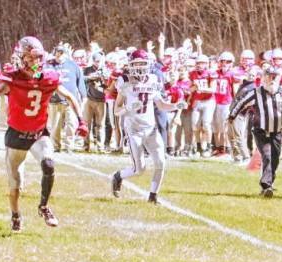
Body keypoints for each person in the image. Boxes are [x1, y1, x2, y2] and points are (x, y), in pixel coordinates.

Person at [0, 36, 87, 232]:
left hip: (38, 133)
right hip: (16, 134)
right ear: (21, 58)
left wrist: (81, 120)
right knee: (16, 183)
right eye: (30, 58)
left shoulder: (49, 78)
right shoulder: (13, 77)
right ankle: (16, 215)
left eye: (38, 58)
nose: (35, 62)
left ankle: (43, 207)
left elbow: (69, 96)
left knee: (49, 164)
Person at [110, 49, 184, 204]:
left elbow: (161, 105)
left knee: (161, 163)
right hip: (134, 130)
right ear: (130, 65)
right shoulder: (124, 81)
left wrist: (176, 105)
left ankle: (153, 196)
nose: (140, 67)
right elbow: (117, 110)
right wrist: (129, 109)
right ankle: (118, 176)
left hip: (151, 129)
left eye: (143, 64)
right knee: (139, 169)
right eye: (137, 64)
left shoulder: (153, 79)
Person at [227, 65, 282, 197]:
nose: (272, 79)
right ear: (264, 78)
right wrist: (232, 116)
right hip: (260, 130)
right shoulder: (256, 92)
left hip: (277, 131)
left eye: (274, 77)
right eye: (269, 76)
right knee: (267, 154)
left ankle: (268, 184)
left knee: (275, 158)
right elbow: (241, 103)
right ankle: (266, 185)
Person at [45, 43, 87, 152]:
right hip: (55, 100)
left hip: (70, 100)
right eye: (57, 53)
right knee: (56, 125)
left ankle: (69, 146)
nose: (59, 55)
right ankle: (56, 146)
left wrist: (83, 95)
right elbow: (40, 74)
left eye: (61, 53)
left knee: (71, 124)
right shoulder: (49, 65)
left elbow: (80, 80)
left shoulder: (73, 65)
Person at [189, 54, 216, 157]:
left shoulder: (210, 73)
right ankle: (198, 147)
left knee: (206, 124)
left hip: (208, 101)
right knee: (195, 125)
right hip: (197, 101)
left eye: (202, 63)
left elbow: (213, 89)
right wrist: (194, 88)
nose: (200, 65)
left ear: (206, 64)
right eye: (198, 63)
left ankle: (208, 147)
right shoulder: (192, 74)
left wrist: (201, 88)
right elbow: (190, 89)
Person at [211, 51, 236, 157]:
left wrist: (235, 104)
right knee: (216, 128)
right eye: (222, 61)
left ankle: (226, 148)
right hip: (214, 103)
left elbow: (235, 91)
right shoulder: (214, 73)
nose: (225, 63)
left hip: (226, 103)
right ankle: (218, 148)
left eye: (228, 61)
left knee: (225, 128)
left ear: (232, 63)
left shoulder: (232, 74)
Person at [82, 51, 107, 152]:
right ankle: (85, 145)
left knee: (100, 124)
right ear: (93, 61)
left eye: (99, 61)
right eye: (96, 61)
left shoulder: (105, 70)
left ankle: (100, 146)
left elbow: (107, 80)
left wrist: (99, 77)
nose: (98, 63)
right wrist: (90, 77)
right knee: (86, 123)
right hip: (89, 99)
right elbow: (82, 79)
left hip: (101, 100)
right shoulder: (87, 70)